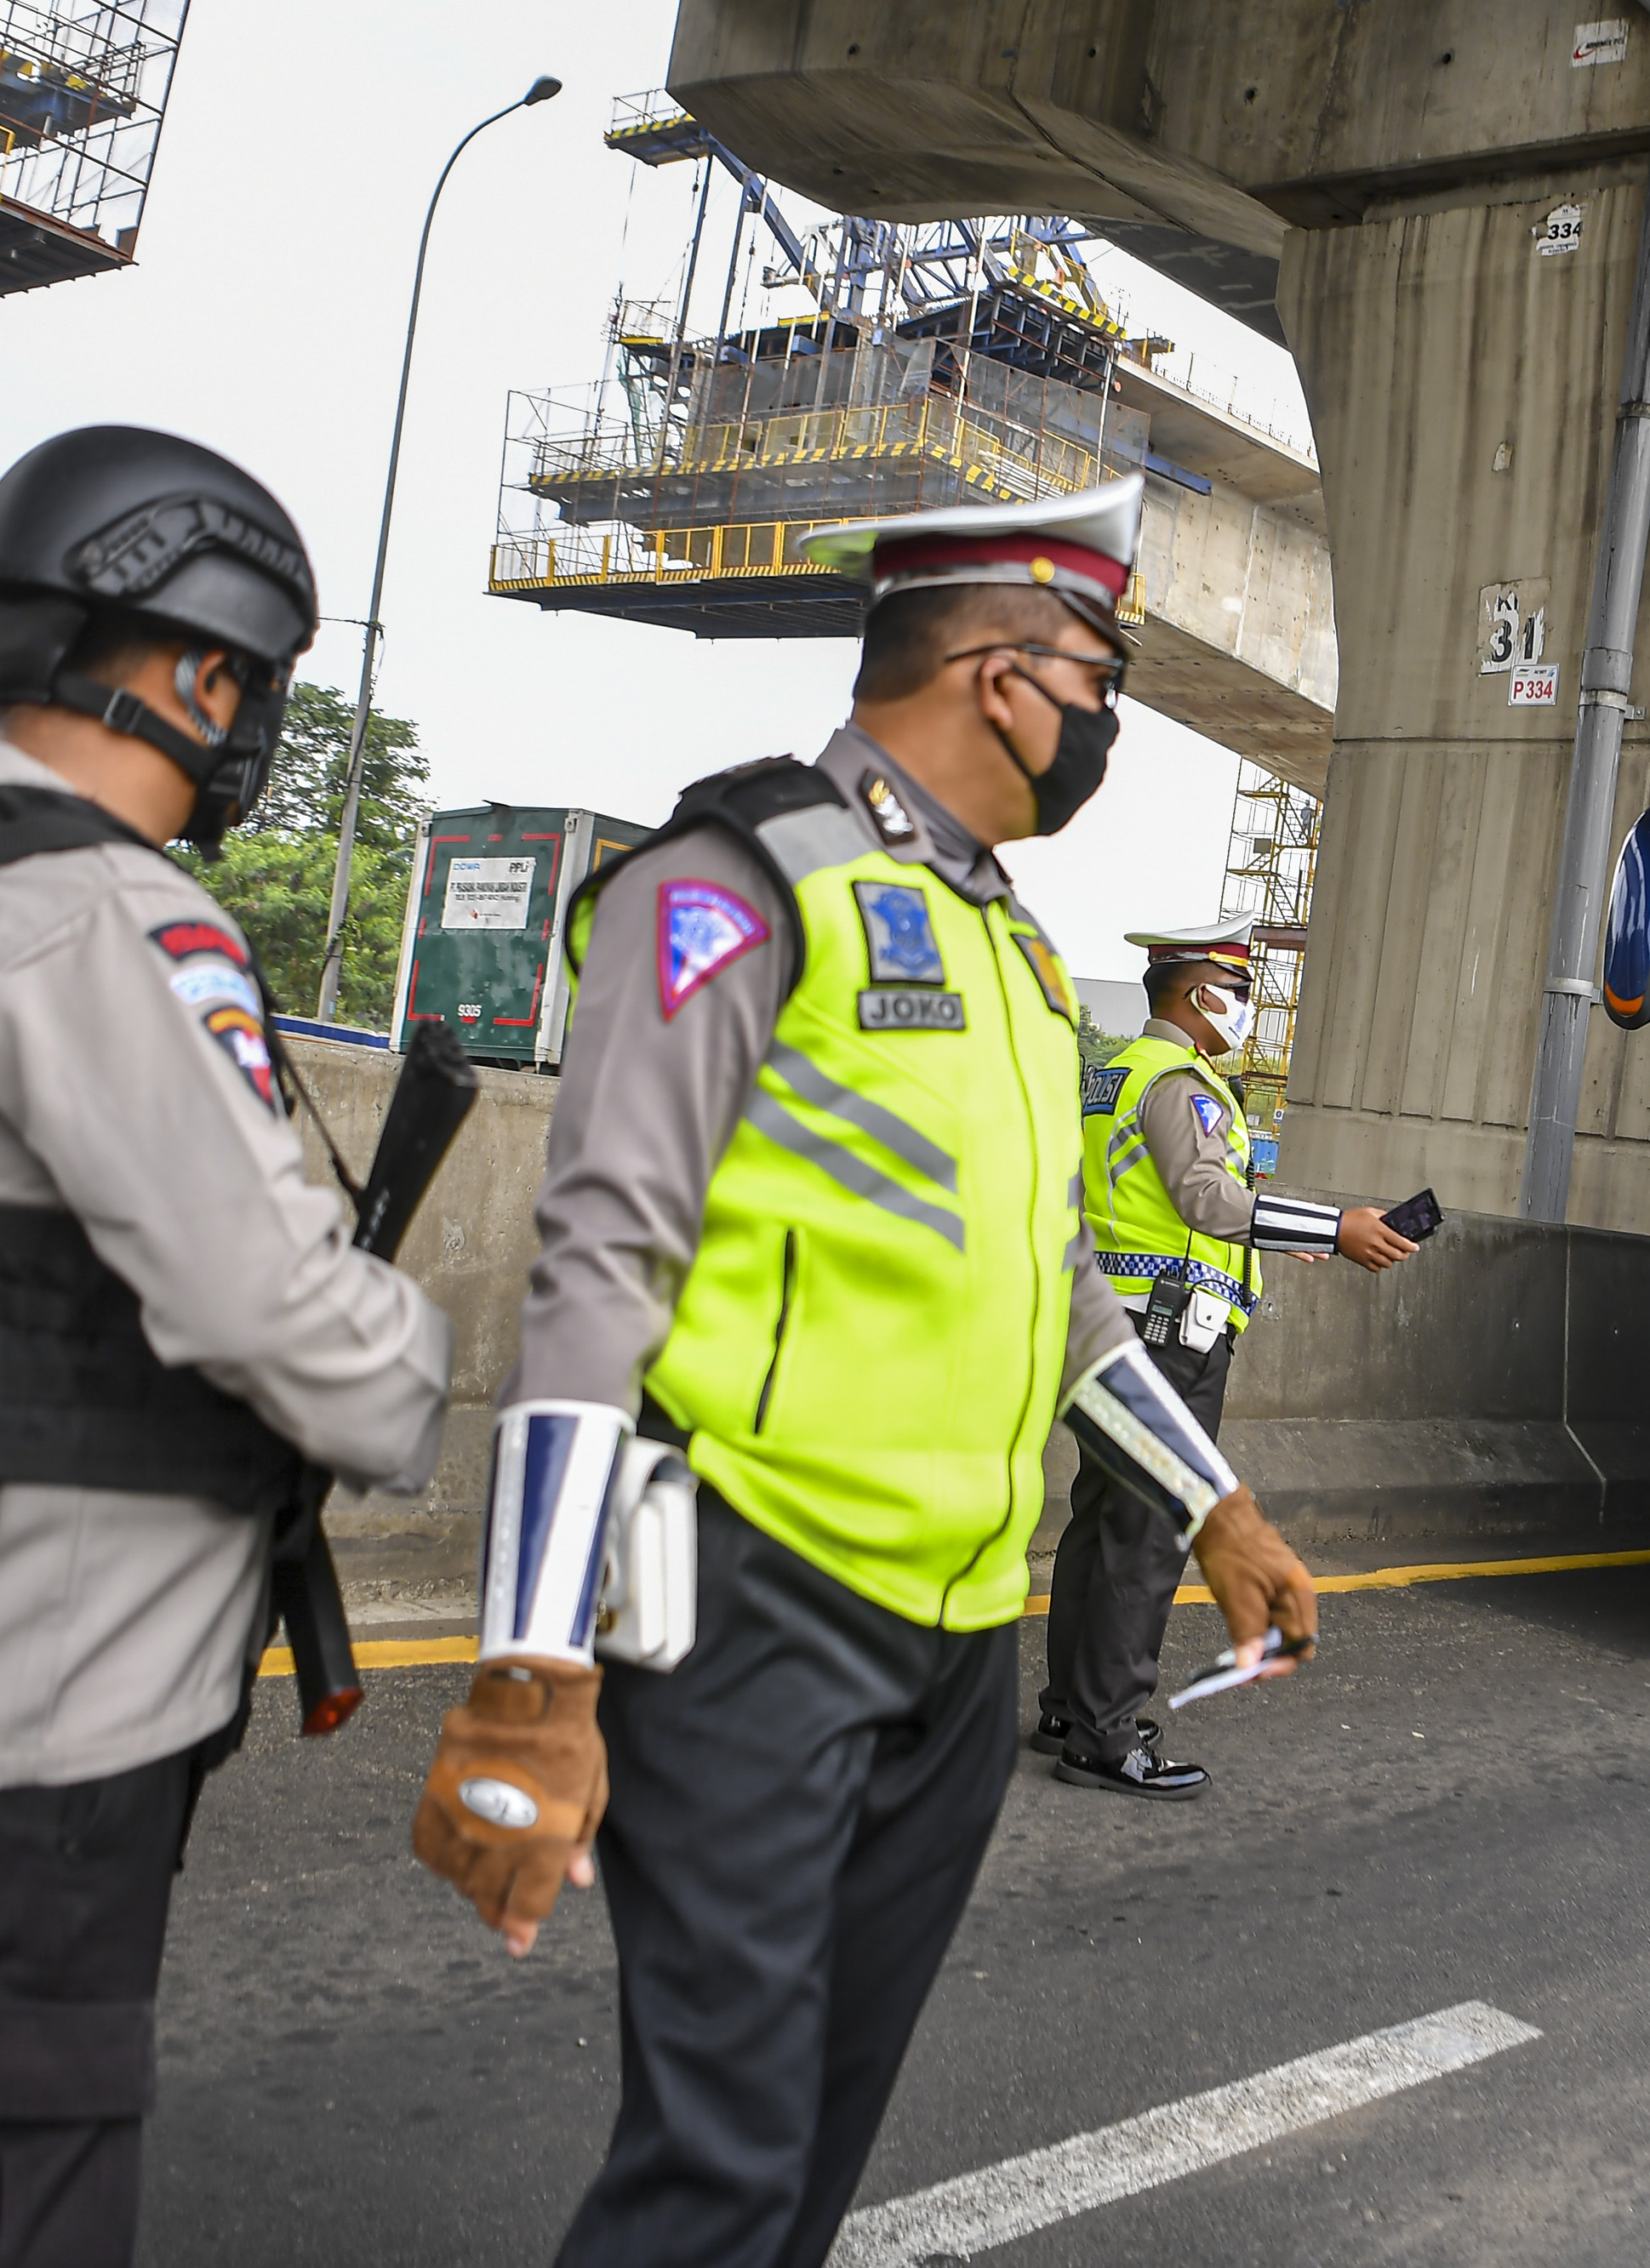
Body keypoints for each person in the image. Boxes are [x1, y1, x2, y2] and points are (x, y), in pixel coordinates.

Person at [406, 476, 1320, 2261]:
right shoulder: (734, 881)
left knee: (816, 2145)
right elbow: (596, 1276)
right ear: (1001, 674)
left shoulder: (1019, 958)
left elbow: (1057, 1290)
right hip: (749, 1602)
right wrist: (528, 1666)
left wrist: (1215, 1507)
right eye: (1102, 680)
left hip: (959, 1635)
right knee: (722, 2165)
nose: (1107, 723)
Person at [0, 428, 451, 2264]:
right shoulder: (99, 915)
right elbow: (283, 1313)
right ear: (199, 673)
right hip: (22, 1717)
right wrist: (414, 1361)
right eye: (252, 684)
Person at [1037, 915, 1416, 1797]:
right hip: (1169, 1338)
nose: (1246, 1006)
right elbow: (1206, 1198)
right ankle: (1105, 1735)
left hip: (1107, 1326)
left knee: (1100, 1520)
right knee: (1148, 1532)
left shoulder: (1112, 1073)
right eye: (1238, 991)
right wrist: (1335, 1226)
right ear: (1199, 993)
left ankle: (1070, 1707)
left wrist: (1275, 1233)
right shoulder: (1181, 1081)